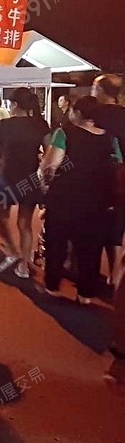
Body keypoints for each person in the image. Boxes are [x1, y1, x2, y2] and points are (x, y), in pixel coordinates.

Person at [40, 96, 118, 305]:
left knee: (57, 243)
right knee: (91, 248)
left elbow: (50, 166)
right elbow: (117, 165)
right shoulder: (110, 138)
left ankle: (53, 287)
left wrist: (46, 180)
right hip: (97, 201)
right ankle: (86, 294)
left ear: (79, 113)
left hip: (64, 199)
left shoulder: (65, 133)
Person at [0, 88, 50, 279]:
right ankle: (23, 266)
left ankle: (12, 251)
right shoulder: (40, 125)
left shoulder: (3, 125)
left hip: (6, 176)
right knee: (24, 224)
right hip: (30, 178)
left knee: (1, 217)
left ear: (15, 104)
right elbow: (49, 154)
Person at [90, 74, 125, 288]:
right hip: (121, 179)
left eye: (94, 88)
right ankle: (115, 275)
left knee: (92, 226)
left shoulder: (93, 114)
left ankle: (88, 276)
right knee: (117, 226)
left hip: (95, 177)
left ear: (101, 91)